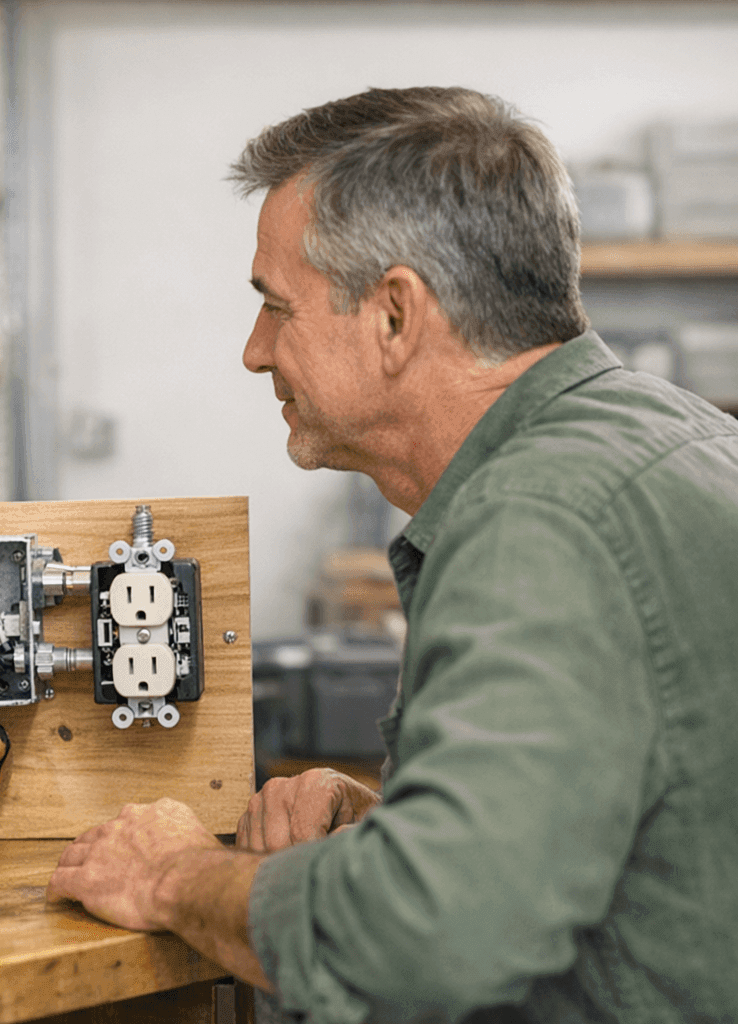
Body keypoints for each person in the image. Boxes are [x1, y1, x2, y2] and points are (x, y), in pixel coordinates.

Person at [47, 86, 738, 1022]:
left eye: (276, 307)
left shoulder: (540, 520)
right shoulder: (671, 435)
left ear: (396, 317)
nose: (255, 352)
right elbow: (614, 854)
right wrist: (389, 830)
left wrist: (172, 876)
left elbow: (431, 941)